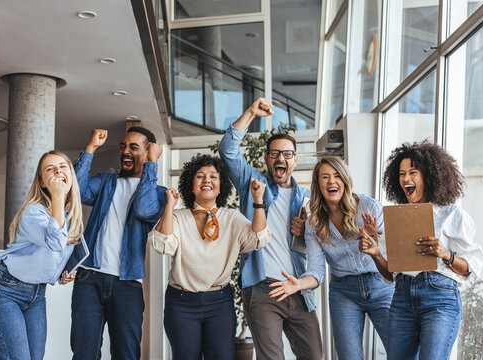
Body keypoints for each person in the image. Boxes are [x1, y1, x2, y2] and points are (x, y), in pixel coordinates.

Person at [359, 141, 483, 360]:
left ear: (429, 176)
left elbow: (470, 268)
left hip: (440, 299)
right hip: (402, 298)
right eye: (401, 173)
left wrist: (446, 254)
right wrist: (375, 253)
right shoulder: (397, 218)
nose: (405, 178)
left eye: (412, 172)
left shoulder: (453, 215)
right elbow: (391, 272)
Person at [218, 98, 323, 359]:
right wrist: (252, 112)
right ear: (266, 158)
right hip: (263, 288)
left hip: (298, 288)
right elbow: (228, 150)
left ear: (295, 160)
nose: (280, 158)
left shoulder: (308, 198)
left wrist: (304, 234)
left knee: (315, 356)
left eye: (287, 154)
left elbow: (320, 243)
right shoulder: (253, 182)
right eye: (274, 153)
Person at [269, 156, 394, 360]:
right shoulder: (314, 224)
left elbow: (393, 253)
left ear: (345, 180)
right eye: (325, 177)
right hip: (344, 293)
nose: (331, 181)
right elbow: (317, 271)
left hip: (381, 286)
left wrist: (375, 239)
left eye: (336, 176)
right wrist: (298, 284)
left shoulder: (369, 208)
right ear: (318, 184)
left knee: (401, 351)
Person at [148, 154, 270, 359]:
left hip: (219, 302)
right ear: (191, 185)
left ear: (221, 187)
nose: (207, 180)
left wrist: (258, 202)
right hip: (181, 303)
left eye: (213, 176)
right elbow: (162, 245)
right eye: (200, 176)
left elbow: (259, 238)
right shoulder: (177, 217)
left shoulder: (231, 218)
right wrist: (169, 206)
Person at [70, 127, 166, 360]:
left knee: (126, 354)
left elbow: (144, 210)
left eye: (134, 147)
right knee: (84, 353)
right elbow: (77, 192)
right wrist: (91, 148)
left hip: (127, 284)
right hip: (89, 277)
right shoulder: (106, 180)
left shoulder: (159, 194)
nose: (125, 151)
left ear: (148, 150)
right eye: (123, 146)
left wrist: (151, 164)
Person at [0, 150, 83, 360]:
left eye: (63, 166)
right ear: (42, 182)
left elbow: (53, 256)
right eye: (50, 169)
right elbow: (54, 242)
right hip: (4, 292)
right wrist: (57, 196)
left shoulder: (70, 217)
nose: (57, 171)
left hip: (37, 296)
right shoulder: (33, 212)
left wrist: (63, 274)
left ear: (71, 175)